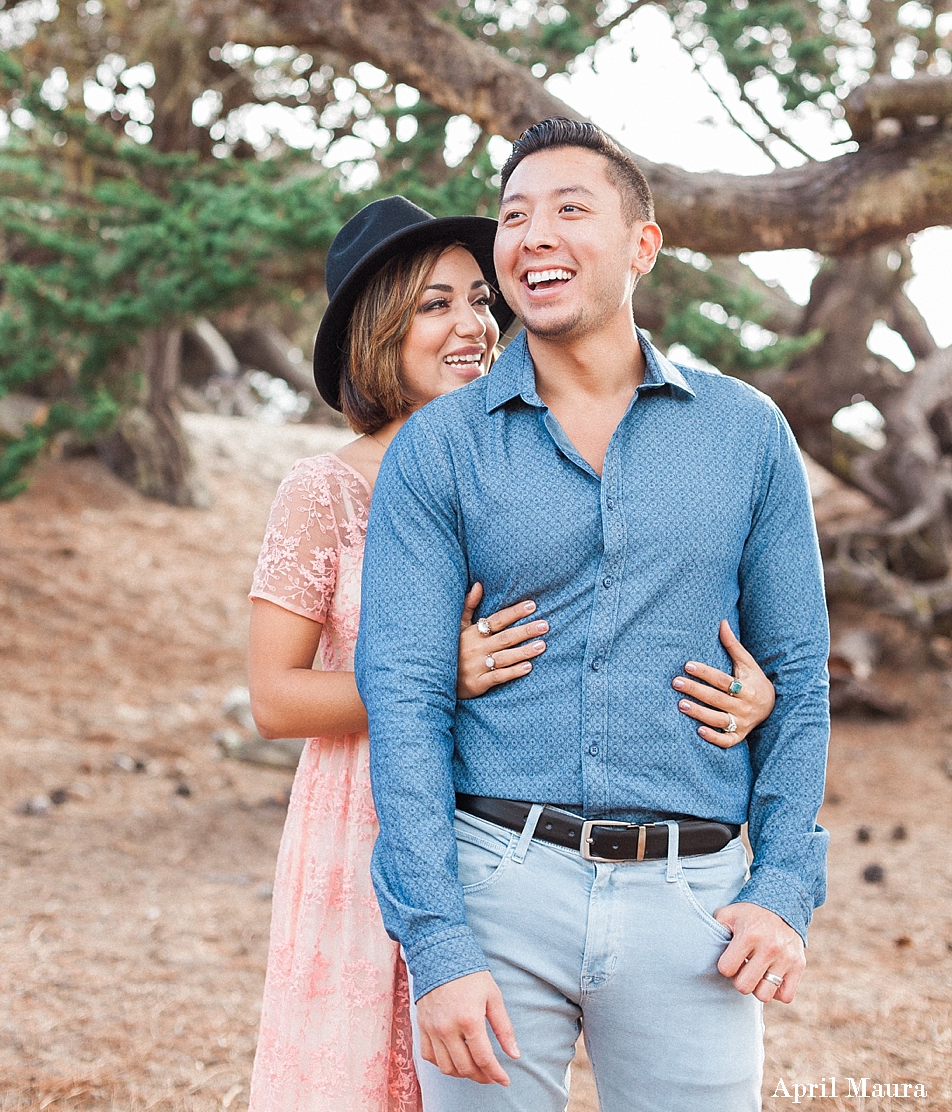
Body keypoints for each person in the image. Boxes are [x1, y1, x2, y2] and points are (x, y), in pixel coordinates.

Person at [246, 195, 777, 1112]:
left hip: (509, 827)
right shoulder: (325, 487)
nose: (470, 325)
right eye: (434, 305)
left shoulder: (521, 458)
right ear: (380, 332)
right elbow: (273, 698)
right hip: (370, 812)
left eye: (477, 300)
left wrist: (750, 691)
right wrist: (427, 679)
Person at [355, 120, 831, 1112]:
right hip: (494, 886)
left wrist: (782, 885)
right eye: (514, 215)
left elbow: (797, 676)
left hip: (692, 902)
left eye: (570, 208)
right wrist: (437, 939)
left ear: (640, 245)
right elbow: (399, 696)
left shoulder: (744, 434)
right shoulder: (439, 451)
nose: (534, 234)